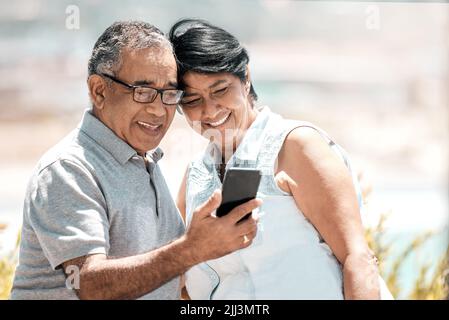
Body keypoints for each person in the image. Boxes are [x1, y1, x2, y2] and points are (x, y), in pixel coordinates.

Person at [10, 20, 261, 300]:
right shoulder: (68, 168)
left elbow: (167, 280)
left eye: (169, 94)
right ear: (99, 91)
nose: (158, 110)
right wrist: (192, 249)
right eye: (142, 92)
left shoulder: (145, 159)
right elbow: (90, 285)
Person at [170, 18, 393, 299]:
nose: (210, 110)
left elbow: (357, 259)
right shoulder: (194, 181)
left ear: (245, 77)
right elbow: (183, 288)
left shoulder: (295, 146)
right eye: (192, 100)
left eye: (220, 90)